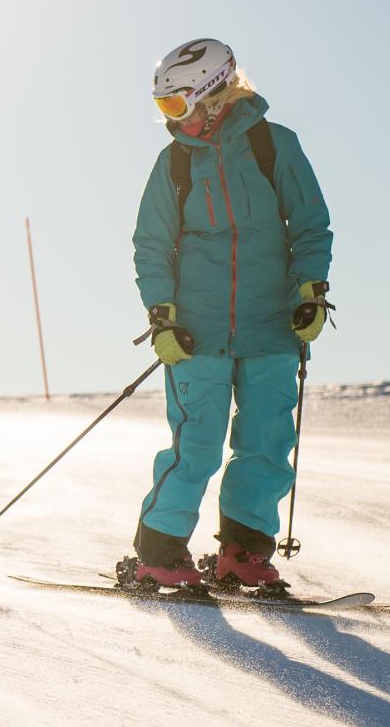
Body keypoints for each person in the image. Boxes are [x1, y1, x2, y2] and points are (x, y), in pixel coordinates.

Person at [128, 38, 334, 590]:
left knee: (266, 440)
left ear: (214, 94)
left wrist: (310, 292)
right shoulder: (174, 162)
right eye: (163, 110)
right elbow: (152, 242)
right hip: (196, 331)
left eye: (178, 106)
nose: (173, 121)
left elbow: (311, 226)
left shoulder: (274, 146)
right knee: (196, 442)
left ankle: (242, 552)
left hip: (272, 326)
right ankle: (160, 552)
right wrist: (162, 314)